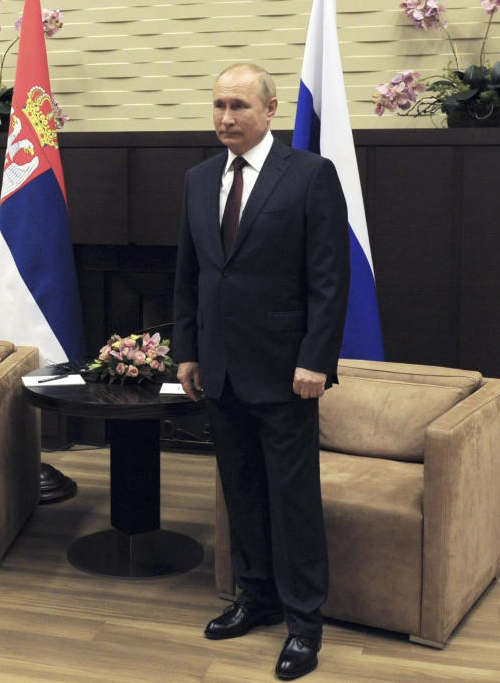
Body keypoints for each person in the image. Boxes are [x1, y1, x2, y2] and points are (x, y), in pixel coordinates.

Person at [173, 63, 349, 680]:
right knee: (241, 491)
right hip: (218, 370)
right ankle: (255, 596)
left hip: (285, 372)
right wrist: (186, 351)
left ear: (271, 110)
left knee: (292, 499)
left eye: (240, 106)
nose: (226, 117)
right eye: (218, 105)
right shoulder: (198, 179)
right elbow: (190, 276)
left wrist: (315, 360)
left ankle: (305, 623)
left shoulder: (310, 176)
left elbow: (330, 279)